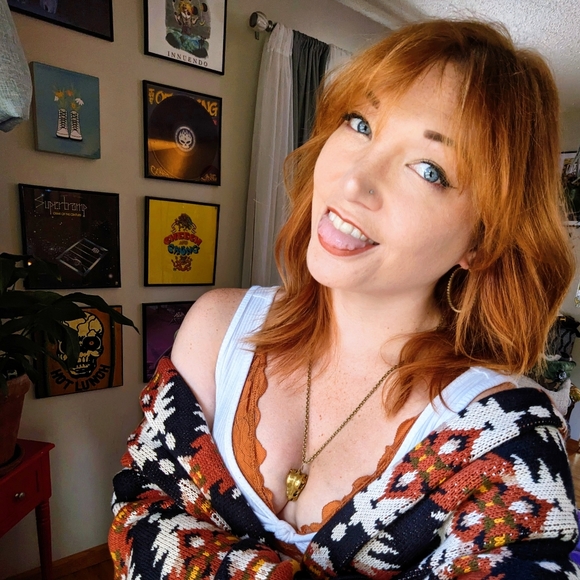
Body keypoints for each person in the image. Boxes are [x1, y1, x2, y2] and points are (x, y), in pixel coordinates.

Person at [109, 19, 580, 579]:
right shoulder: (216, 331)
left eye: (428, 169)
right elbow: (138, 514)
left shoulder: (509, 445)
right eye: (361, 123)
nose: (354, 181)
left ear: (482, 242)